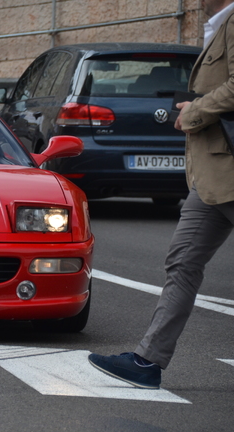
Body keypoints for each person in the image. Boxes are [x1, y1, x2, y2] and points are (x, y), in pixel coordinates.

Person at [88, 0, 234, 390]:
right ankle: (147, 361)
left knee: (183, 262)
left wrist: (195, 111)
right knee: (183, 261)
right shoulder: (217, 25)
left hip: (229, 169)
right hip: (213, 174)